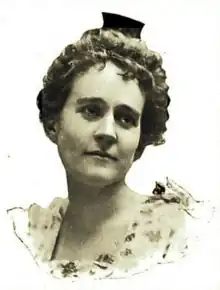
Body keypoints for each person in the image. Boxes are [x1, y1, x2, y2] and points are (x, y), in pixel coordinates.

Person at [7, 12, 213, 282]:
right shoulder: (26, 234)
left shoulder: (182, 236)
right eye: (91, 111)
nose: (107, 133)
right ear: (54, 122)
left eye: (126, 119)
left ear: (141, 139)